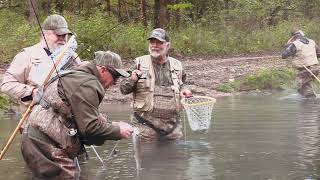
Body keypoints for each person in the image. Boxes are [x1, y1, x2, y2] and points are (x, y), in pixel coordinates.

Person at [21, 50, 134, 179]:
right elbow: (90, 129)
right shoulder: (87, 83)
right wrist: (118, 130)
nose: (115, 82)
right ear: (103, 70)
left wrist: (112, 125)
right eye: (115, 76)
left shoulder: (77, 75)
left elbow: (82, 118)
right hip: (45, 143)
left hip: (36, 139)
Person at [120, 28, 192, 141]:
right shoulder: (138, 63)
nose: (154, 45)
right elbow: (123, 89)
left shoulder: (177, 65)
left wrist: (186, 89)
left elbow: (184, 83)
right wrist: (132, 78)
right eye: (152, 42)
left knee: (176, 158)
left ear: (168, 45)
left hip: (173, 127)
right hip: (144, 126)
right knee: (147, 158)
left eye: (159, 42)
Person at [0, 14, 81, 112]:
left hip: (68, 122)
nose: (62, 38)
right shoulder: (27, 56)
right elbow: (7, 84)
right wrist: (32, 92)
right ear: (43, 34)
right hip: (35, 121)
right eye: (58, 34)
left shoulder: (73, 56)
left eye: (65, 35)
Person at [282, 28, 320, 98]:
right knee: (305, 84)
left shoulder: (294, 44)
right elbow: (319, 54)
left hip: (306, 69)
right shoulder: (312, 42)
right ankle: (310, 101)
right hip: (316, 68)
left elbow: (284, 55)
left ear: (293, 37)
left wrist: (288, 44)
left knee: (302, 84)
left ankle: (310, 102)